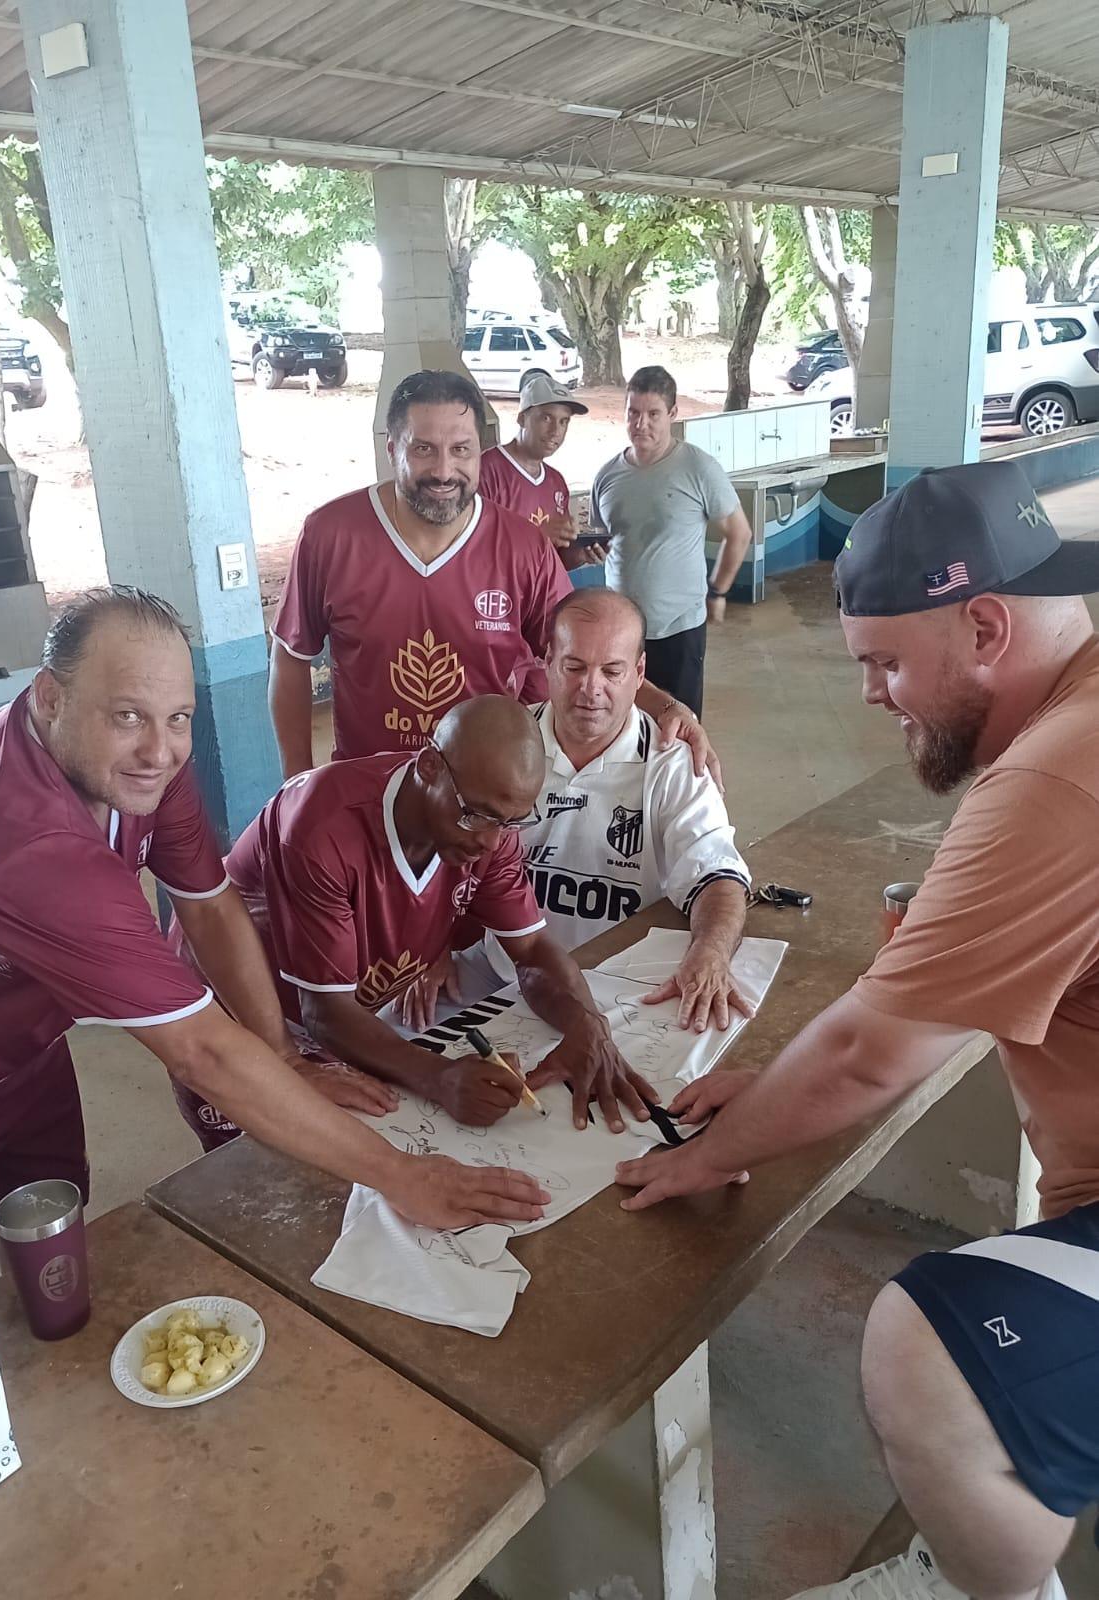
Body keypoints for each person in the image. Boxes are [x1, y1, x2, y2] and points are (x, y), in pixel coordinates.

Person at [616, 461, 1099, 1600]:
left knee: (927, 1354)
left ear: (984, 625)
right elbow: (900, 1012)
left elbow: (868, 1052)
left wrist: (712, 1154)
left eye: (884, 663)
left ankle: (983, 1589)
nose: (870, 696)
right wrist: (778, 1080)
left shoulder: (1054, 775)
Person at [0, 588, 549, 1264]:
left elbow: (207, 903)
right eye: (127, 716)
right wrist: (403, 1175)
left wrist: (287, 1058)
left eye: (178, 717)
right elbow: (201, 1052)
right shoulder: (38, 854)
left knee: (50, 1235)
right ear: (50, 697)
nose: (159, 749)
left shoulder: (131, 760)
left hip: (16, 1040)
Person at [174, 695, 659, 1142]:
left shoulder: (489, 827)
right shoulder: (320, 830)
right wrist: (440, 1076)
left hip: (332, 1003)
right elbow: (322, 1012)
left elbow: (530, 951)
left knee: (349, 1139)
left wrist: (586, 1023)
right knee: (259, 1162)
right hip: (231, 1005)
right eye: (477, 815)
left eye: (511, 822)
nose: (492, 842)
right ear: (428, 766)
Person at [268, 368, 721, 785]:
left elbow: (585, 653)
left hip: (487, 797)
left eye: (461, 450)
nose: (444, 471)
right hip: (366, 791)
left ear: (479, 452)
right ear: (392, 450)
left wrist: (666, 708)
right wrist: (297, 780)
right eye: (423, 449)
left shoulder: (522, 547)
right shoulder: (330, 534)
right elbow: (292, 655)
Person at [403, 589, 751, 1036]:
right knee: (394, 1045)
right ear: (547, 661)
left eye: (612, 671)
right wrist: (430, 949)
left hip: (622, 986)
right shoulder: (500, 746)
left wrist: (711, 952)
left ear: (639, 674)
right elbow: (425, 845)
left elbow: (718, 875)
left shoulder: (673, 764)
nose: (591, 689)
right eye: (574, 667)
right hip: (499, 971)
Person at [590, 365, 754, 719]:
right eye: (633, 413)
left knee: (679, 726)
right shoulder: (607, 477)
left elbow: (739, 533)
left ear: (673, 414)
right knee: (622, 725)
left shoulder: (698, 467)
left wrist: (718, 592)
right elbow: (600, 540)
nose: (641, 424)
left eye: (653, 414)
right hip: (623, 631)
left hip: (678, 628)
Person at [478, 372, 603, 573]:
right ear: (521, 418)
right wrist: (535, 536)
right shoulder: (485, 471)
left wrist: (581, 555)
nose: (556, 430)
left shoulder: (556, 482)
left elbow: (555, 561)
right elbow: (474, 550)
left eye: (564, 421)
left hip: (542, 598)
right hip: (500, 599)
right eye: (546, 418)